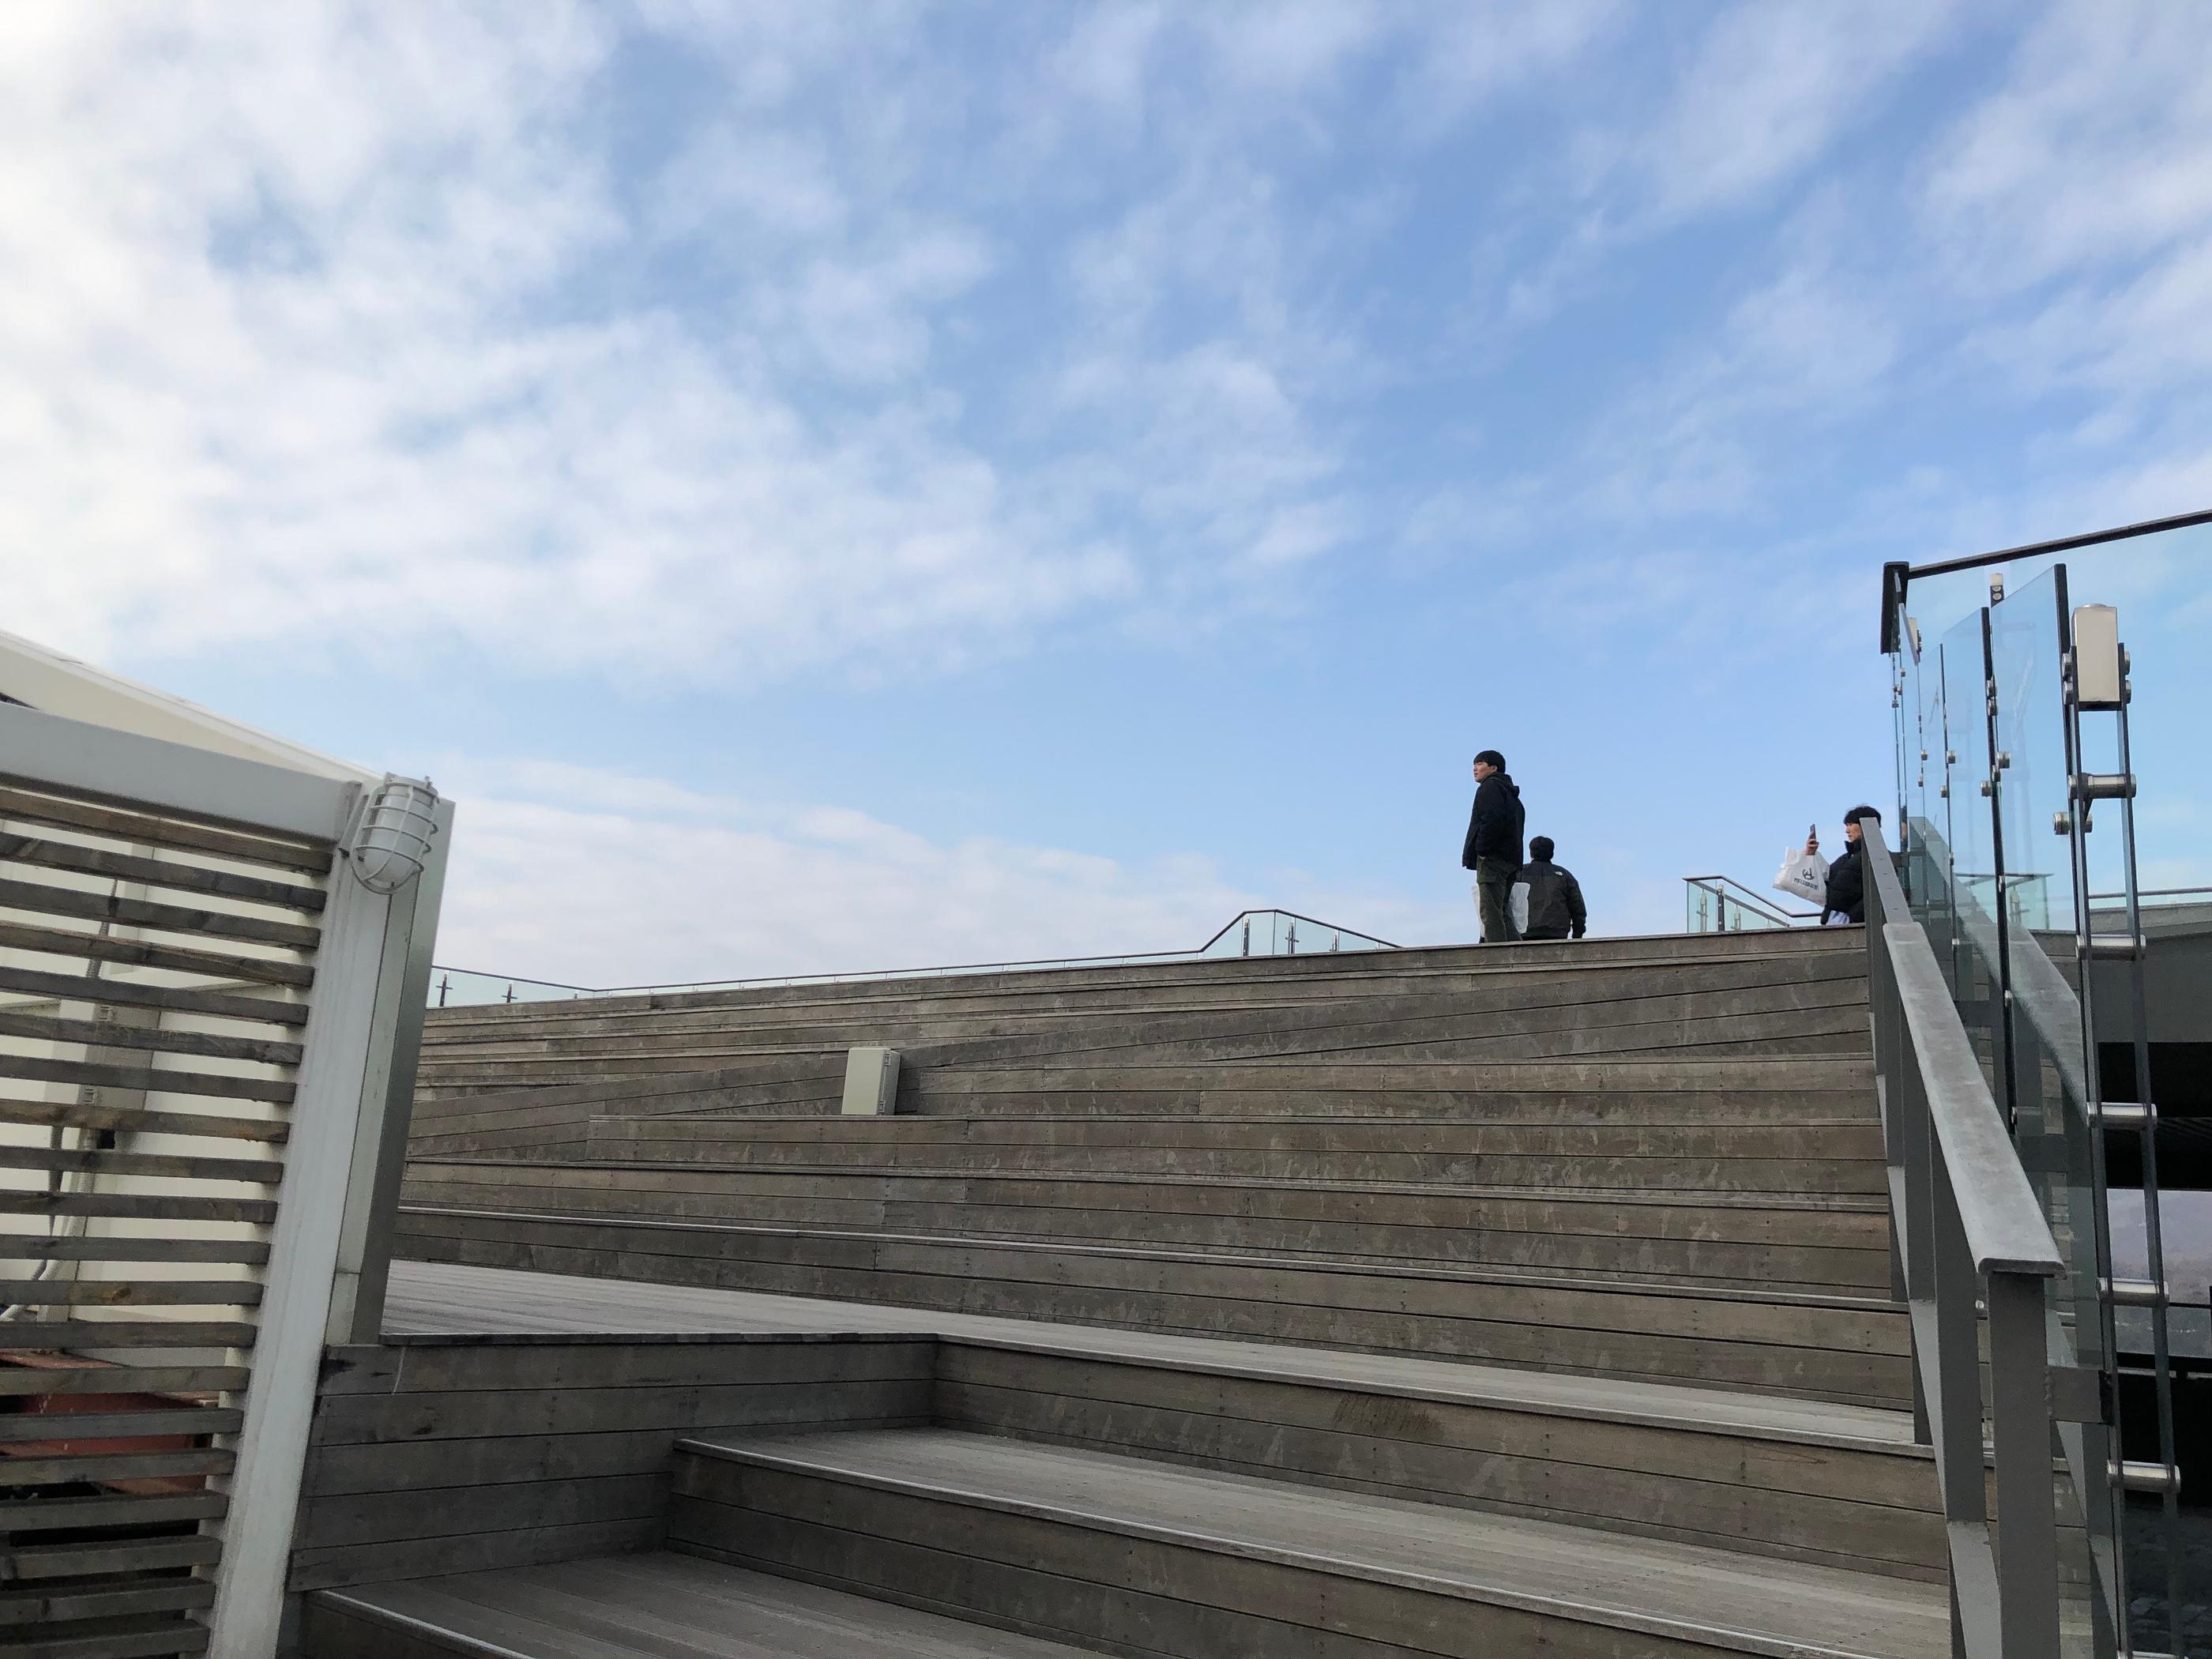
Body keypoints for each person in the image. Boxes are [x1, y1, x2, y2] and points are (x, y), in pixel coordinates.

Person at [1460, 749, 1525, 944]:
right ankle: (1520, 955)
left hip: (1493, 858)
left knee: (1490, 912)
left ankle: (1496, 959)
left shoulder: (1490, 788)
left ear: (1493, 768)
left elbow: (1491, 820)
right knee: (1502, 912)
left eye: (1480, 763)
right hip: (1511, 860)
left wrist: (1483, 849)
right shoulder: (1513, 796)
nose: (1474, 768)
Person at [1811, 806, 1881, 924]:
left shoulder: (1878, 856)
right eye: (1846, 825)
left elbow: (1878, 894)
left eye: (1850, 824)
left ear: (1865, 825)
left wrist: (1853, 917)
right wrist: (1811, 854)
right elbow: (1827, 882)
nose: (1847, 830)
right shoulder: (1846, 858)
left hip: (1857, 925)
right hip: (1835, 921)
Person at [1513, 836, 1587, 942]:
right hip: (1557, 933)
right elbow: (1578, 908)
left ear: (1531, 853)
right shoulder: (1565, 876)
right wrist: (1577, 934)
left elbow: (1507, 902)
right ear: (1552, 853)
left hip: (1523, 932)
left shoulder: (1518, 873)